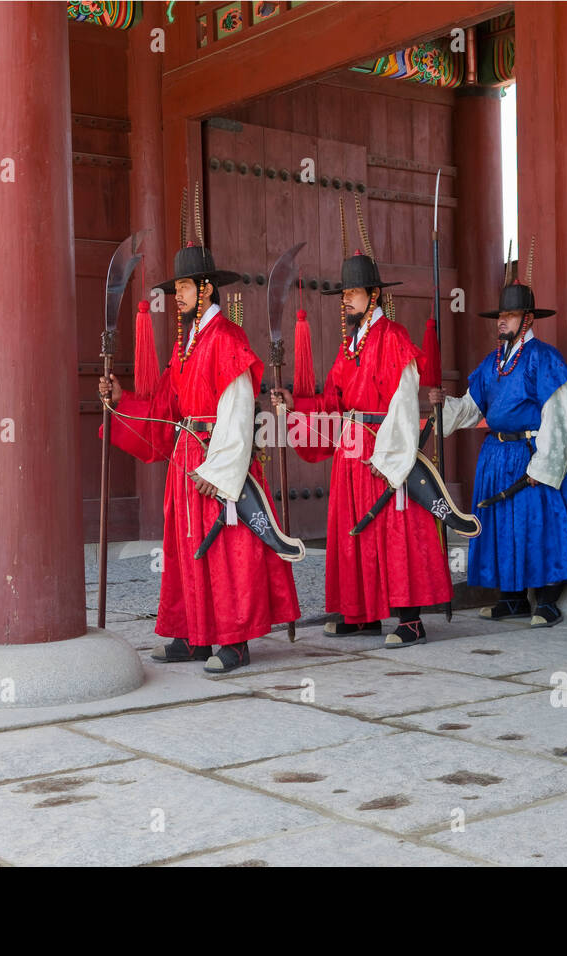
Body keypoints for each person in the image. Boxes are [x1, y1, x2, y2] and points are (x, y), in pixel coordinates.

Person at [99, 197, 300, 673]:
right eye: (177, 289)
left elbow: (237, 410)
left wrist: (222, 471)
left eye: (185, 287)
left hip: (216, 459)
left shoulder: (227, 340)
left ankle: (233, 640)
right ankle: (192, 633)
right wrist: (121, 401)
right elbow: (165, 410)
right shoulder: (185, 348)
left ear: (207, 290)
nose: (178, 297)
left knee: (228, 549)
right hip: (185, 458)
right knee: (186, 550)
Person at [271, 203, 451, 648]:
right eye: (343, 295)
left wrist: (393, 456)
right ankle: (363, 613)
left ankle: (409, 618)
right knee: (356, 533)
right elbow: (332, 401)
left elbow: (406, 401)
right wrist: (296, 405)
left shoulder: (391, 338)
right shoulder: (348, 346)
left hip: (383, 450)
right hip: (352, 452)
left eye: (352, 294)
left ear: (373, 296)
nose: (345, 300)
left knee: (396, 530)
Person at [430, 246, 567, 627]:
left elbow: (560, 413)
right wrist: (442, 407)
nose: (501, 321)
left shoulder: (544, 358)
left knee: (539, 526)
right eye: (499, 315)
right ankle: (512, 598)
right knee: (502, 526)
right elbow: (472, 406)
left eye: (509, 315)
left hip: (533, 455)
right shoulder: (492, 363)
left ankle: (547, 600)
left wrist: (544, 464)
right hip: (497, 456)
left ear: (528, 318)